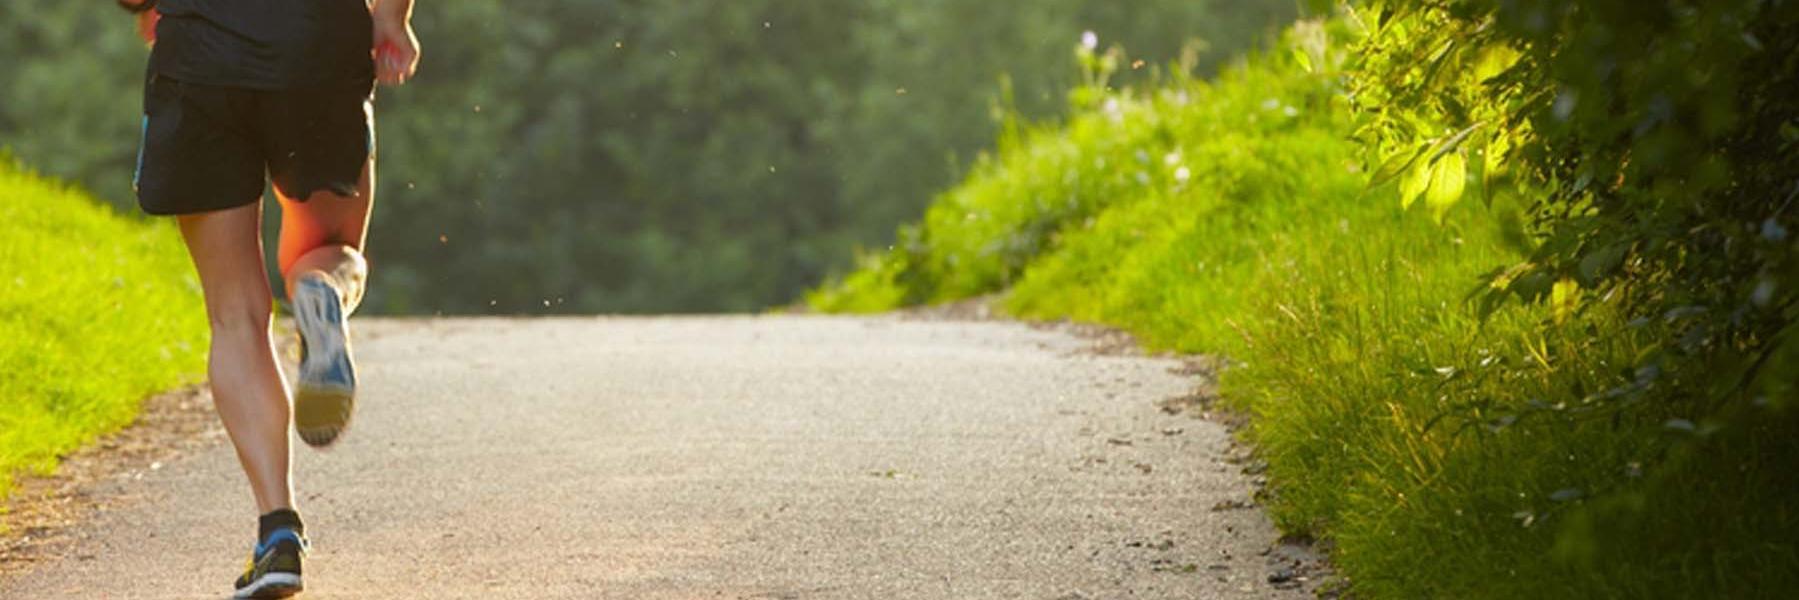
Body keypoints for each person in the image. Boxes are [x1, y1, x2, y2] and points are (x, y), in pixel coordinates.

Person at [116, 0, 418, 597]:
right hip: (318, 49)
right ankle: (321, 292)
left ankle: (278, 533)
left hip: (199, 62)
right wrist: (393, 17)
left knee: (236, 317)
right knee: (327, 247)